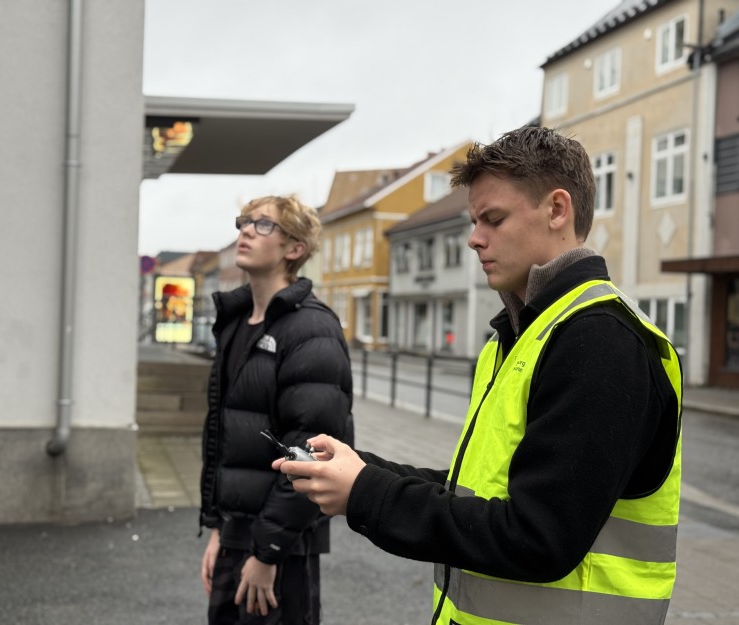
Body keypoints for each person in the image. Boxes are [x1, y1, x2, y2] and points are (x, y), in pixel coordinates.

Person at [276, 126, 683, 625]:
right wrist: (363, 469)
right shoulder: (522, 335)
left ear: (558, 210)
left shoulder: (598, 340)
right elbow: (478, 491)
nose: (473, 239)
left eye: (493, 219)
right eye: (474, 221)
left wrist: (365, 493)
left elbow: (538, 536)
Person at [199, 195, 354, 625]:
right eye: (244, 221)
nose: (246, 230)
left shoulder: (311, 329)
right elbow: (224, 438)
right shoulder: (235, 321)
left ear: (295, 248)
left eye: (263, 225)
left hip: (282, 549)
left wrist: (266, 552)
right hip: (238, 535)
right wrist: (218, 530)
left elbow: (310, 453)